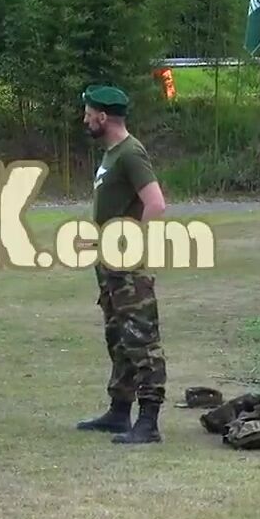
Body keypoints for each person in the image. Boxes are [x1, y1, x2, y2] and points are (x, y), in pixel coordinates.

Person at [75, 84, 169, 445]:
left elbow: (155, 204)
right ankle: (119, 412)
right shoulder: (112, 154)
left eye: (88, 114)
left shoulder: (130, 153)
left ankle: (148, 421)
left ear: (103, 117)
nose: (85, 120)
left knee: (141, 340)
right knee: (118, 338)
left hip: (129, 269)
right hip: (110, 265)